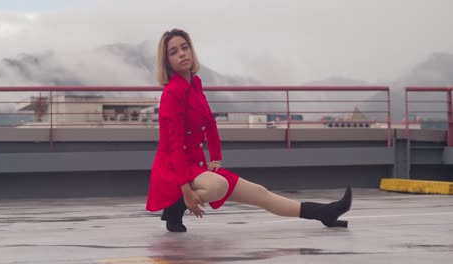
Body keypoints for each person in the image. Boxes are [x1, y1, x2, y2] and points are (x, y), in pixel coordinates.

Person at [145, 28, 352, 232]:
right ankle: (175, 207)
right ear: (167, 62)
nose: (182, 53)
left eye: (184, 47)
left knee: (260, 193)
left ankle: (323, 213)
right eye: (174, 52)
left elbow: (209, 123)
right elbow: (174, 146)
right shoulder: (172, 93)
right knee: (218, 187)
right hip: (173, 169)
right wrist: (186, 191)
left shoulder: (195, 83)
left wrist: (216, 157)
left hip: (197, 166)